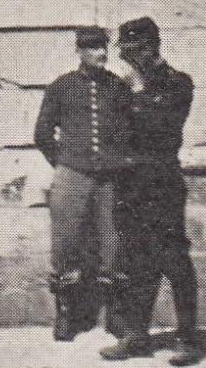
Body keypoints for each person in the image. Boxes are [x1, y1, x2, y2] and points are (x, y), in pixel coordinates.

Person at [101, 16, 204, 366]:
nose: (126, 60)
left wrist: (138, 94)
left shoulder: (178, 84)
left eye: (131, 53)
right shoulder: (122, 88)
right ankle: (137, 336)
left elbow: (162, 128)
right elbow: (114, 135)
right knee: (135, 261)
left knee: (174, 260)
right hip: (130, 186)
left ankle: (189, 339)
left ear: (149, 50)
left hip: (163, 184)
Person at [33, 27, 134, 342]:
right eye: (92, 48)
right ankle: (66, 315)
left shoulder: (117, 87)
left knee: (112, 244)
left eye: (103, 47)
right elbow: (42, 134)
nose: (101, 54)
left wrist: (118, 161)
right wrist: (65, 163)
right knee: (64, 244)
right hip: (71, 175)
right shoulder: (61, 87)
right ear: (79, 51)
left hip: (109, 179)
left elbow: (130, 132)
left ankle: (115, 314)